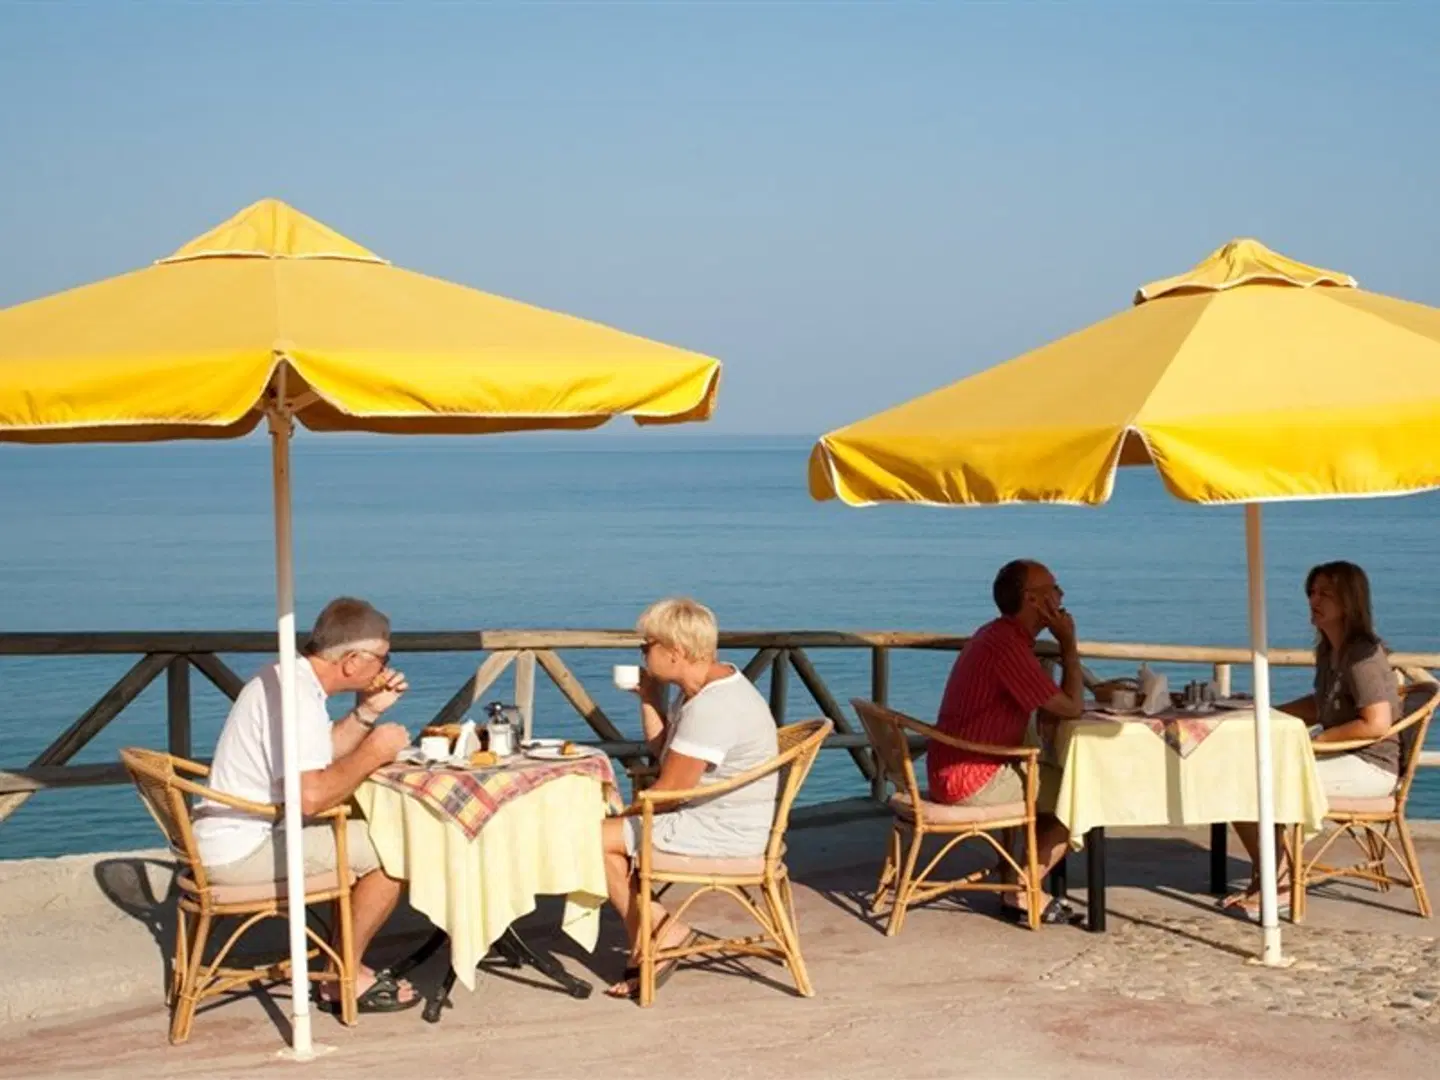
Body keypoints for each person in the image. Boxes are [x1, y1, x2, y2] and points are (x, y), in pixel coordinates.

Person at [192, 596, 420, 1013]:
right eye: (382, 658)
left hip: (225, 836)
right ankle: (343, 977)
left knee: (366, 833)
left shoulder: (286, 680)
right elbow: (311, 798)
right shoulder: (296, 699)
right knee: (394, 848)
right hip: (242, 851)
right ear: (352, 661)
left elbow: (319, 753)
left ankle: (341, 961)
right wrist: (374, 752)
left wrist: (367, 712)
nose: (385, 667)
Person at [600, 597, 780, 999]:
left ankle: (663, 933)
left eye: (647, 646)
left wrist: (620, 814)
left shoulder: (713, 707)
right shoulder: (704, 688)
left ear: (675, 652)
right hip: (719, 816)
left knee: (590, 839)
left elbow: (669, 792)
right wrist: (650, 699)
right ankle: (653, 937)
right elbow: (666, 752)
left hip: (722, 830)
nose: (642, 653)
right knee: (605, 841)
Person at [1223, 560, 1403, 915]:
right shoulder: (1328, 650)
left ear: (1348, 601)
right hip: (1343, 756)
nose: (1313, 600)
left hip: (1371, 767)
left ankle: (1278, 882)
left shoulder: (1362, 656)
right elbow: (1321, 705)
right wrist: (1267, 712)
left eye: (1325, 594)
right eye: (1312, 592)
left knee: (1260, 782)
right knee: (1238, 776)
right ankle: (1271, 874)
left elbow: (1376, 723)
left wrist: (1315, 743)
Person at [928, 559, 1085, 924]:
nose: (1061, 595)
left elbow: (1046, 703)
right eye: (1053, 589)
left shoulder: (995, 635)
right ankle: (1022, 887)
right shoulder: (1008, 648)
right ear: (1032, 599)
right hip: (972, 778)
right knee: (1081, 794)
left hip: (952, 767)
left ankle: (1019, 875)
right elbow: (1072, 707)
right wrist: (1068, 645)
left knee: (1059, 783)